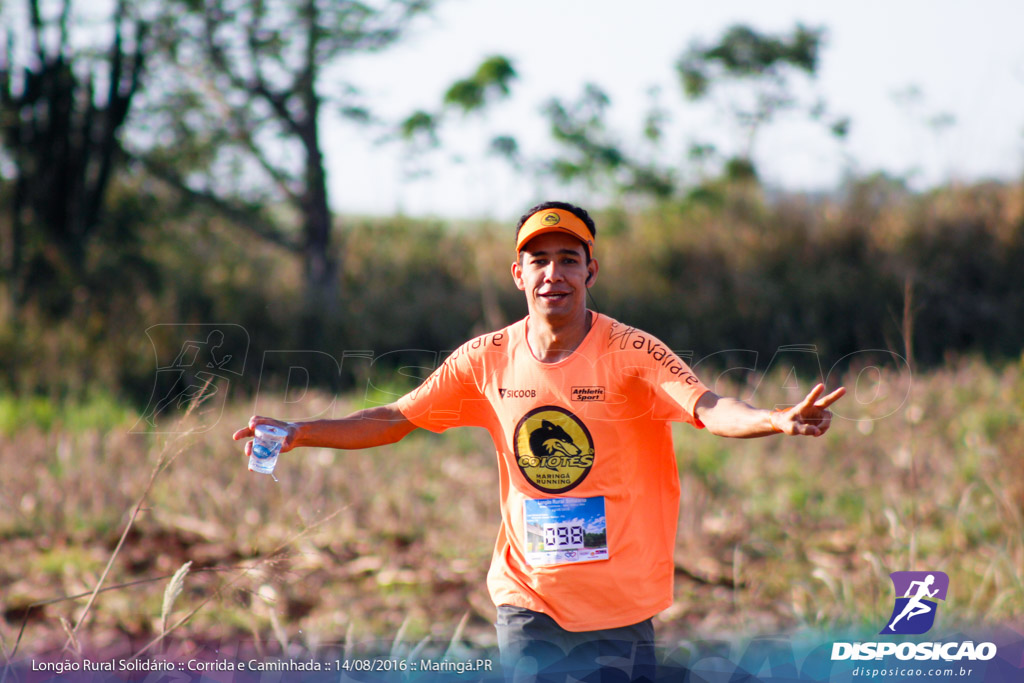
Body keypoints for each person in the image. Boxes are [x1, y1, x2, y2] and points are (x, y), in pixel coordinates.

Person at [233, 201, 845, 682]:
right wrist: (299, 433)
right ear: (518, 274)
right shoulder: (486, 358)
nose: (554, 273)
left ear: (591, 270)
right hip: (529, 599)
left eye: (568, 258)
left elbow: (711, 409)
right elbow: (397, 417)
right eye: (540, 259)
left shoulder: (633, 353)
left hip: (621, 605)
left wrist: (775, 419)